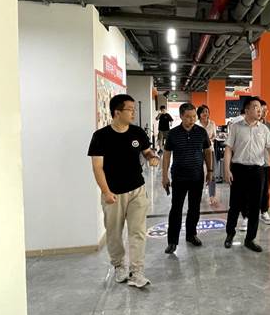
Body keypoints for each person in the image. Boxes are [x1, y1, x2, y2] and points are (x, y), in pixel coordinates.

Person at [88, 94, 159, 288]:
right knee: (114, 233)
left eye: (134, 109)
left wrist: (152, 157)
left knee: (138, 232)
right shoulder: (101, 136)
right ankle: (119, 265)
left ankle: (137, 272)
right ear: (117, 112)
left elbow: (147, 151)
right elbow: (97, 167)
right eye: (130, 109)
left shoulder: (137, 132)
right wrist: (106, 191)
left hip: (137, 189)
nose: (133, 113)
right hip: (113, 193)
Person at [224, 96, 270, 252]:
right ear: (246, 110)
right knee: (235, 204)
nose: (259, 110)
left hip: (257, 171)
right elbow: (228, 149)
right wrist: (227, 169)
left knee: (255, 206)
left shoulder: (264, 129)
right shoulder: (236, 127)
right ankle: (230, 234)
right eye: (255, 107)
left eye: (260, 108)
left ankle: (250, 239)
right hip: (239, 169)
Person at [162, 103, 212, 254]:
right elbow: (166, 155)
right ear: (181, 116)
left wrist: (210, 171)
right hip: (179, 177)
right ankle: (172, 242)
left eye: (194, 116)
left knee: (194, 208)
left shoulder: (201, 132)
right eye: (188, 117)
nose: (192, 120)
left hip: (197, 176)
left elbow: (207, 151)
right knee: (176, 209)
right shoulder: (173, 133)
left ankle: (191, 235)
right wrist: (164, 176)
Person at [196, 105, 218, 204]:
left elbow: (214, 136)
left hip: (210, 150)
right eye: (203, 112)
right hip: (198, 151)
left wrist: (208, 141)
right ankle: (198, 194)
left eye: (207, 111)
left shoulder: (212, 123)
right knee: (198, 173)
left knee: (211, 172)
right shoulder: (196, 124)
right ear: (199, 114)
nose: (205, 113)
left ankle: (212, 195)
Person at [259, 99, 270, 225]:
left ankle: (264, 211)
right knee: (252, 190)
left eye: (266, 111)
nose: (264, 113)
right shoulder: (249, 125)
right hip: (252, 164)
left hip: (265, 162)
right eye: (261, 110)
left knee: (265, 189)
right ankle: (247, 215)